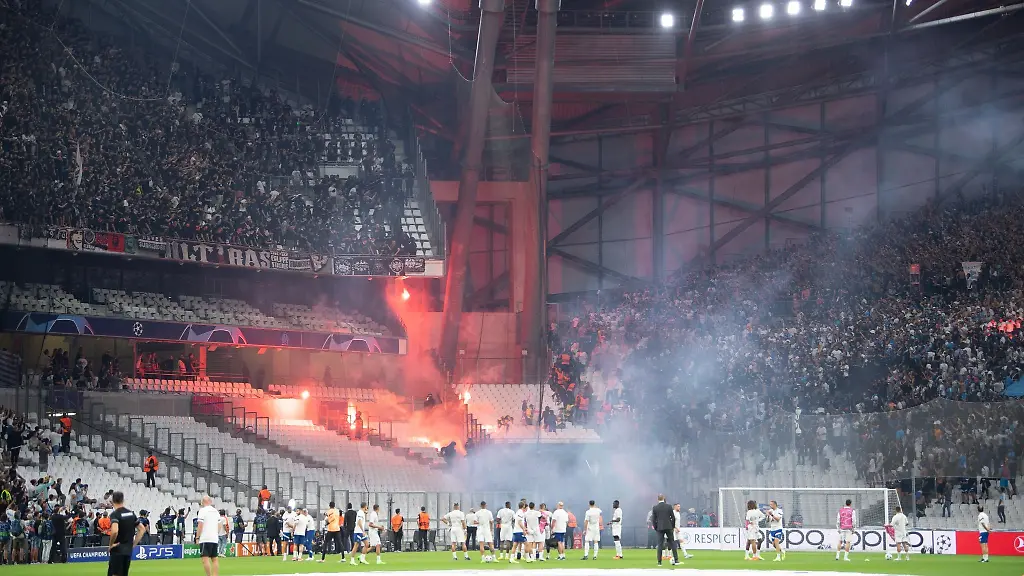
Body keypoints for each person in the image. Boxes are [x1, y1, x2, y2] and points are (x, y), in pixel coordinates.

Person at [107, 492, 146, 576]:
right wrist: (134, 544)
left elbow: (114, 531)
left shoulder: (115, 514)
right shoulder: (131, 513)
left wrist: (111, 544)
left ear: (112, 501)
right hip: (128, 550)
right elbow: (142, 529)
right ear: (123, 500)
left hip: (117, 549)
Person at [196, 496, 221, 576]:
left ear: (203, 502)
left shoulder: (202, 511)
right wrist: (215, 533)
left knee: (205, 559)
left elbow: (200, 524)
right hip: (214, 538)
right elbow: (219, 524)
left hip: (205, 538)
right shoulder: (216, 511)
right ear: (210, 501)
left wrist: (197, 537)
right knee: (215, 559)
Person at [651, 494, 678, 566]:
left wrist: (656, 527)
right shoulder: (669, 506)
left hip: (660, 527)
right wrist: (672, 526)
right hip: (668, 527)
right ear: (664, 498)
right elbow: (673, 517)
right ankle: (676, 559)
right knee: (672, 543)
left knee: (660, 545)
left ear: (658, 499)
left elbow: (653, 519)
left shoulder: (655, 507)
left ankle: (659, 562)